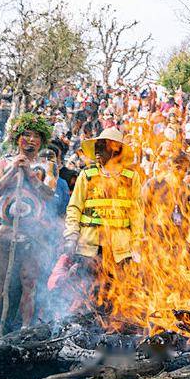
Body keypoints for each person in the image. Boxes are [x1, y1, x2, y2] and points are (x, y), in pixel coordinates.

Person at [0, 113, 57, 332]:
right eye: (26, 135)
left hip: (33, 235)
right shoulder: (3, 162)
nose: (31, 140)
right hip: (4, 232)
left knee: (29, 281)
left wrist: (29, 173)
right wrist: (13, 169)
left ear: (42, 141)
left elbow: (49, 195)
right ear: (17, 138)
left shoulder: (47, 167)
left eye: (36, 136)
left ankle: (25, 327)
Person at [63, 127, 144, 298]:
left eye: (102, 145)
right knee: (87, 295)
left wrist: (137, 245)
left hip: (120, 250)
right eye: (96, 145)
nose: (97, 149)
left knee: (116, 295)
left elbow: (136, 214)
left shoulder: (131, 177)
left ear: (115, 148)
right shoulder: (87, 175)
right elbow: (74, 207)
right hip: (89, 248)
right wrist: (71, 236)